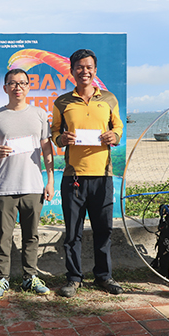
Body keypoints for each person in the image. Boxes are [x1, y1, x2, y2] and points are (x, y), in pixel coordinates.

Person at [51, 49, 124, 296]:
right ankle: (73, 278)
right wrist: (62, 138)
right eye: (79, 67)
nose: (84, 71)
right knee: (73, 232)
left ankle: (104, 276)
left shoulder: (109, 99)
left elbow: (118, 128)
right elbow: (55, 134)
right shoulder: (62, 102)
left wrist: (114, 136)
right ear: (71, 71)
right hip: (74, 177)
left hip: (103, 176)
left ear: (95, 70)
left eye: (89, 67)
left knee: (103, 230)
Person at [0, 68, 55, 300]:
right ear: (5, 88)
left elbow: (46, 148)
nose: (18, 87)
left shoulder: (39, 114)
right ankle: (1, 278)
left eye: (22, 83)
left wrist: (50, 180)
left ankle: (29, 277)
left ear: (28, 87)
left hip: (33, 185)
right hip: (4, 186)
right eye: (13, 83)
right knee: (3, 236)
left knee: (31, 235)